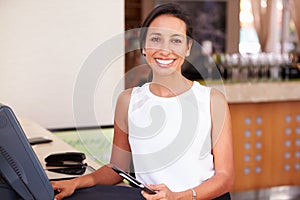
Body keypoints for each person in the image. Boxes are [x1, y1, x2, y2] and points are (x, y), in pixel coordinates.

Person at [51, 3, 234, 200]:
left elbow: (226, 177)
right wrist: (75, 183)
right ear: (144, 47)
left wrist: (178, 197)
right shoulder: (128, 101)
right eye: (156, 39)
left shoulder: (212, 100)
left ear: (188, 48)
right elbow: (117, 168)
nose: (165, 50)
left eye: (176, 40)